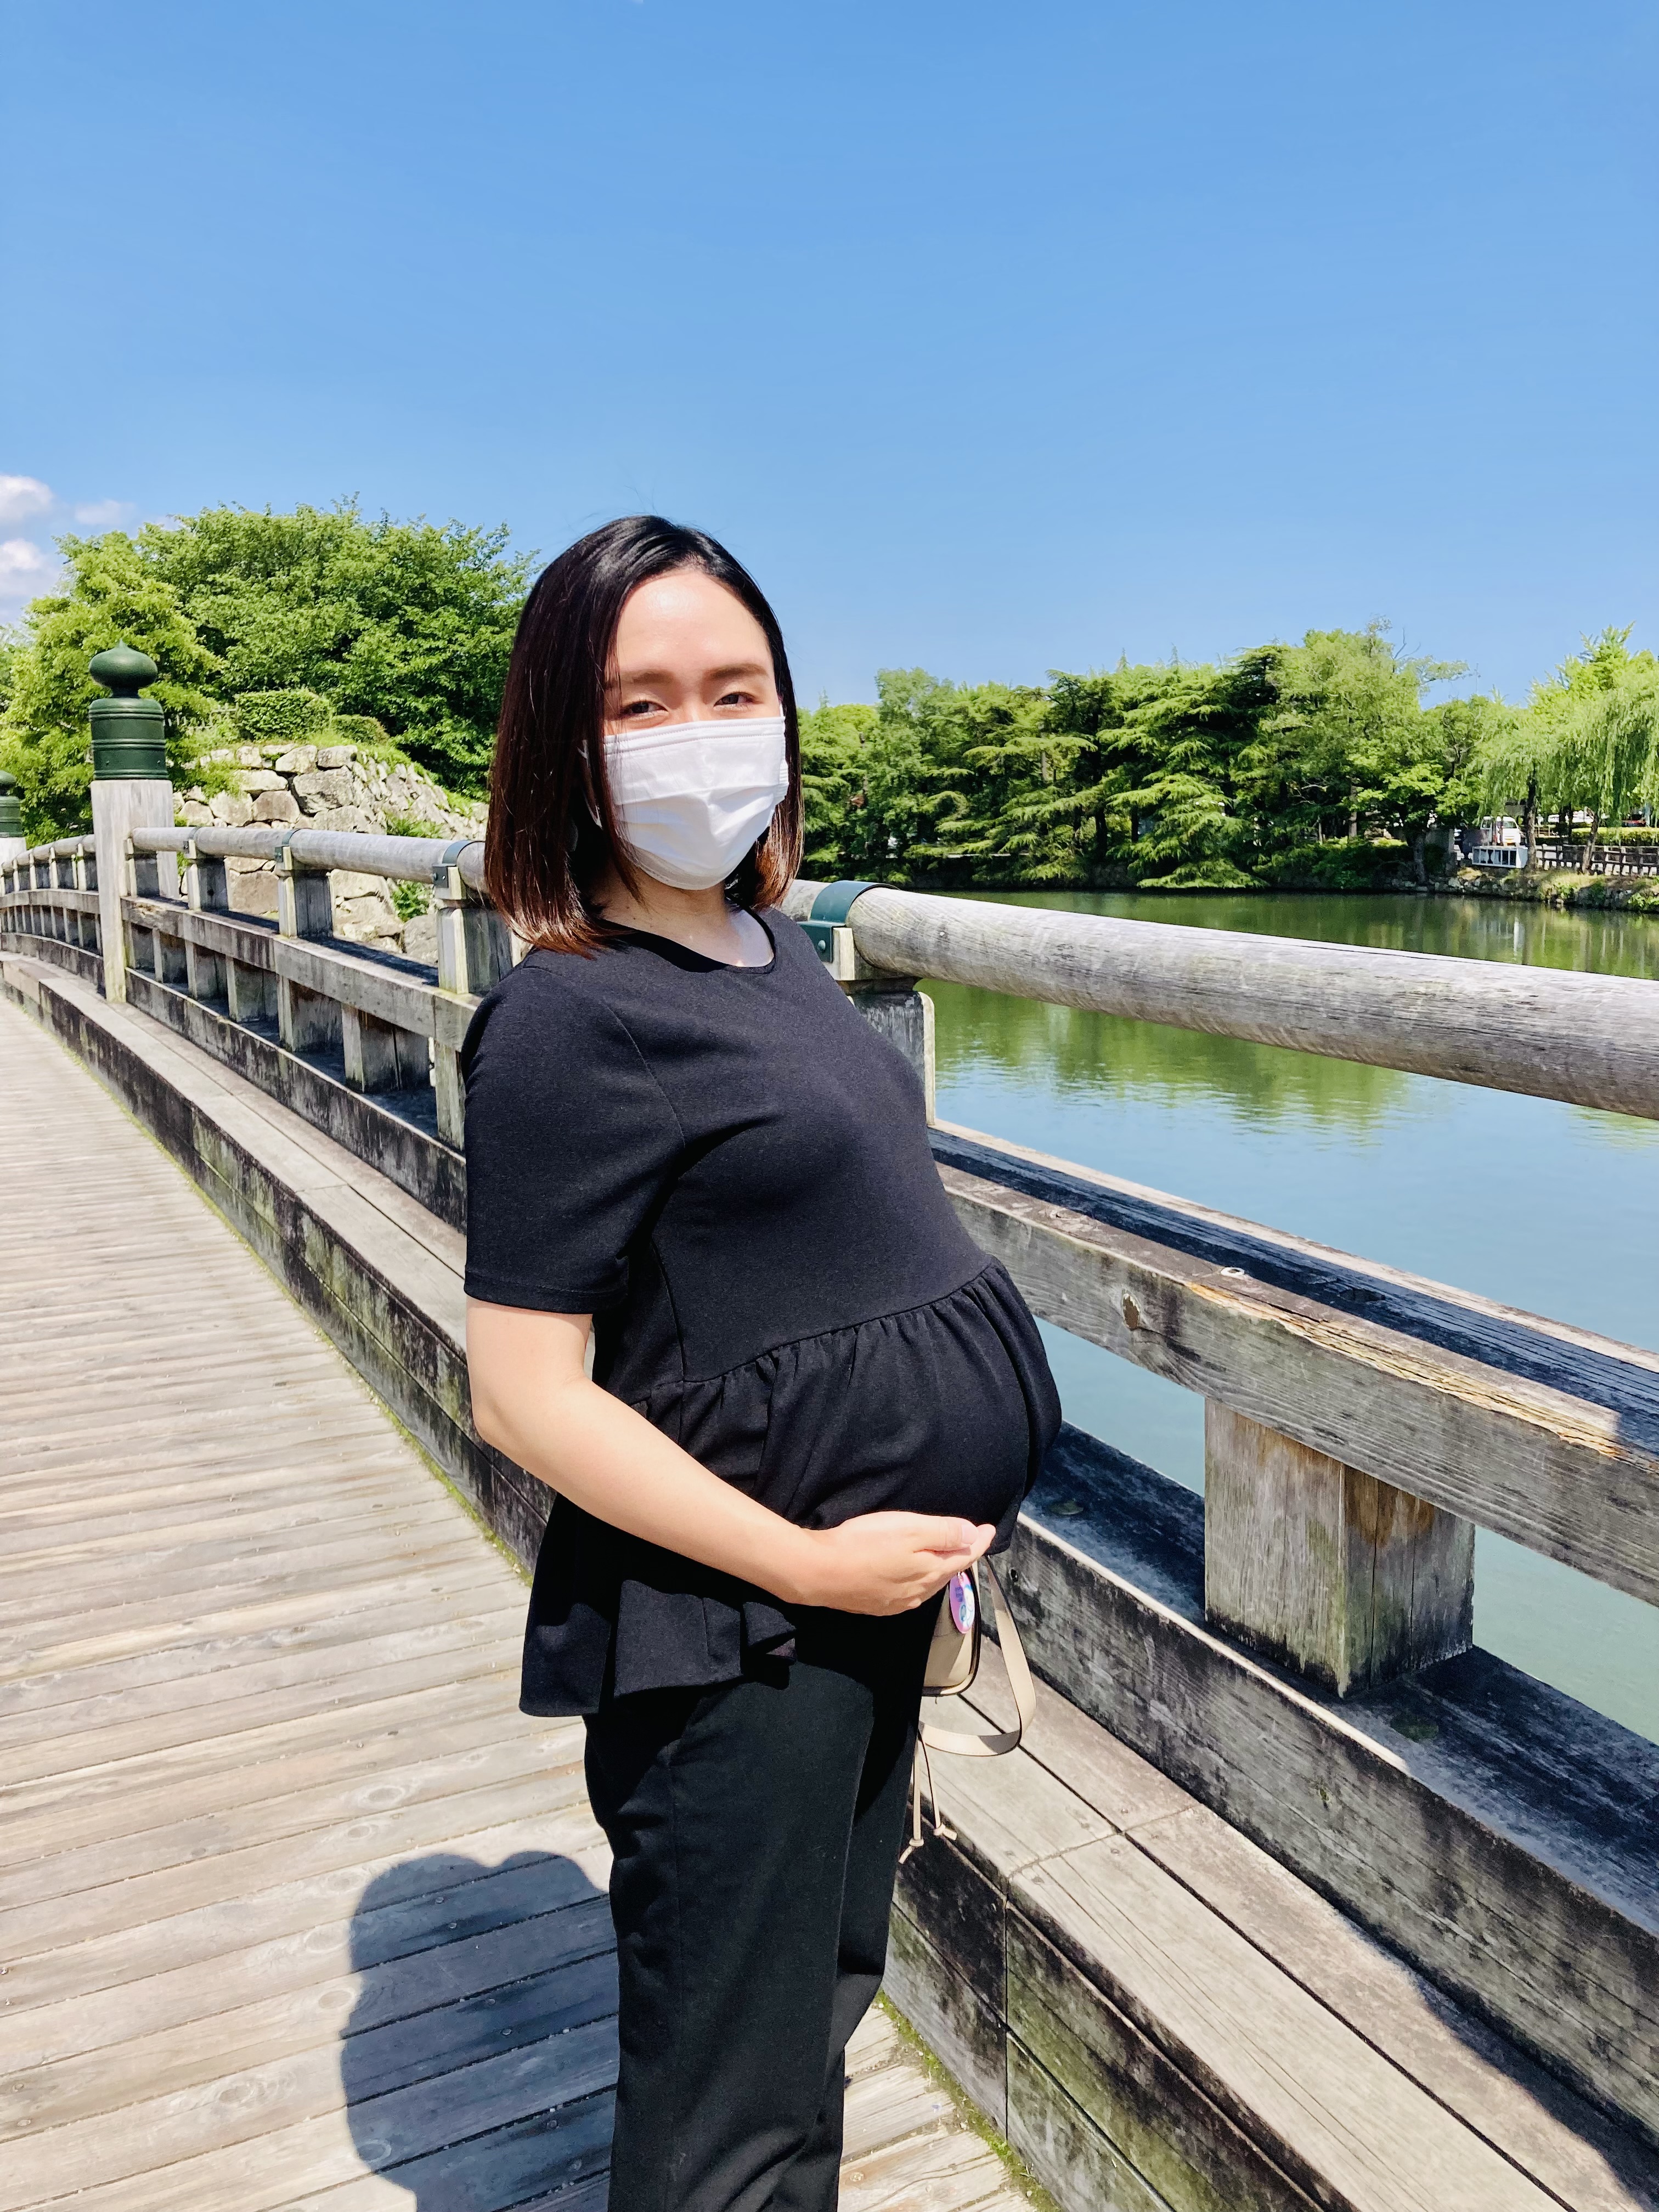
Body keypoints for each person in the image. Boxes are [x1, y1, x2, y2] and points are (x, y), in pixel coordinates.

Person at [461, 515, 1060, 2212]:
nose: (698, 733)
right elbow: (522, 1393)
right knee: (728, 2117)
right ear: (562, 740)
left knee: (813, 2026)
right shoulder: (568, 1019)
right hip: (742, 1637)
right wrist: (807, 1562)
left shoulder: (770, 944)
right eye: (639, 703)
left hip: (857, 1619)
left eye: (734, 691)